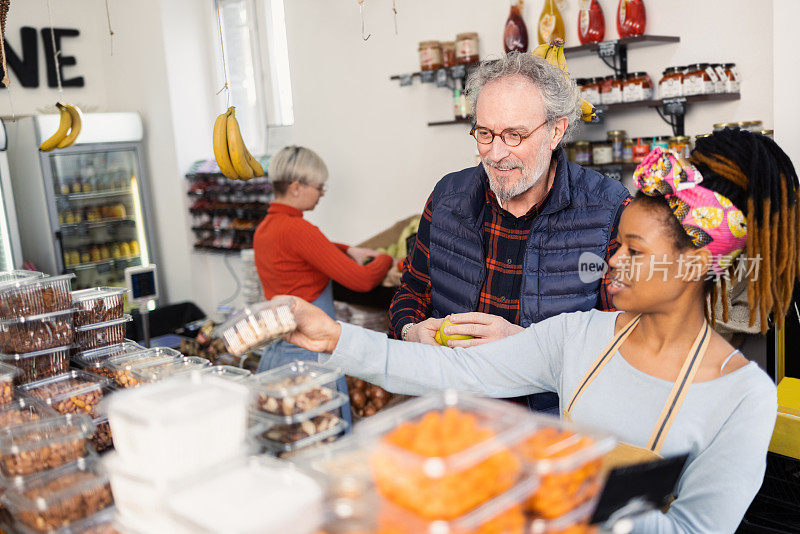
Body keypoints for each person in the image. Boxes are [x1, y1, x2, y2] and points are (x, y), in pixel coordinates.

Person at [282, 129, 797, 533]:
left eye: (634, 251)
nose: (610, 262)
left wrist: (561, 485)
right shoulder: (578, 336)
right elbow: (451, 368)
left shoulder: (742, 395)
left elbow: (692, 528)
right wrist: (335, 338)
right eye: (616, 243)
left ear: (694, 266)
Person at [388, 52, 630, 412]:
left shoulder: (610, 211)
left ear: (556, 131)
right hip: (458, 420)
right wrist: (412, 331)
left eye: (514, 135)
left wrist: (527, 345)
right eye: (485, 133)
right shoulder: (446, 199)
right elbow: (411, 293)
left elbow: (630, 337)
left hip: (555, 430)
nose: (496, 153)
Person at [253, 145, 393, 376]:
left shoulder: (265, 229)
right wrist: (387, 259)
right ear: (296, 188)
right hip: (309, 352)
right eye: (319, 187)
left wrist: (347, 250)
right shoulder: (298, 229)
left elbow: (301, 250)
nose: (322, 193)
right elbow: (363, 281)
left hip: (283, 347)